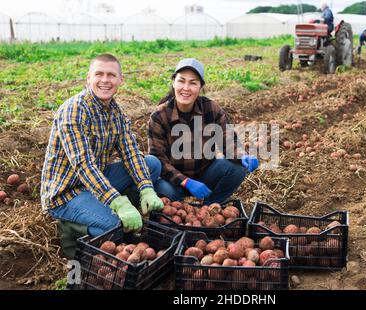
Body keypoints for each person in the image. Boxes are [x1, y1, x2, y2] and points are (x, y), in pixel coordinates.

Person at [41, 53, 164, 258]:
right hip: (67, 193)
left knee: (151, 164)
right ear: (88, 78)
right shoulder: (73, 111)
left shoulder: (117, 112)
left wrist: (147, 189)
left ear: (120, 80)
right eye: (99, 74)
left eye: (111, 75)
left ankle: (129, 215)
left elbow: (131, 153)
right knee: (113, 226)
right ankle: (72, 228)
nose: (105, 80)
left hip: (96, 180)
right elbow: (84, 165)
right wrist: (118, 202)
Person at [148, 58, 259, 204]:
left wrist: (242, 155)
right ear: (174, 82)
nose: (186, 88)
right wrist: (186, 182)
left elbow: (227, 139)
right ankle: (179, 206)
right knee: (160, 188)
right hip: (174, 181)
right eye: (181, 81)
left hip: (205, 176)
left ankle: (211, 206)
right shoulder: (159, 116)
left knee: (237, 168)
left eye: (193, 83)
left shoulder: (210, 108)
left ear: (200, 87)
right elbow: (159, 159)